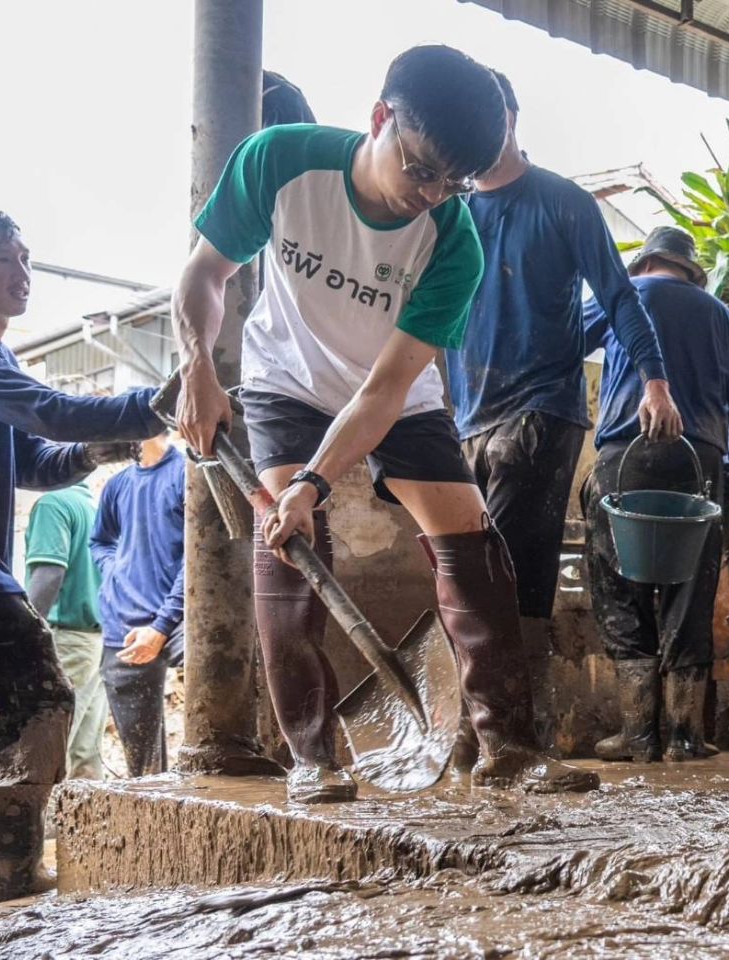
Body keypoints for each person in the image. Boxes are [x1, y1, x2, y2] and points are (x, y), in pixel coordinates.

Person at [173, 45, 598, 803]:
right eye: (422, 170)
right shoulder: (279, 161)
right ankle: (314, 756)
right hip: (287, 381)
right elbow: (206, 273)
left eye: (454, 184)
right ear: (379, 119)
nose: (433, 195)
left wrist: (316, 477)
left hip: (392, 392)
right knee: (290, 538)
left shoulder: (453, 240)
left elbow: (390, 384)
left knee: (469, 533)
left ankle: (509, 746)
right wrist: (199, 367)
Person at [445, 71, 682, 752]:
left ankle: (516, 737)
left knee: (518, 572)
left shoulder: (563, 203)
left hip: (541, 413)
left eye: (488, 120)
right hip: (467, 419)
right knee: (468, 570)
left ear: (511, 118)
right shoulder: (451, 211)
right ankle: (482, 731)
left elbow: (620, 297)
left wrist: (654, 381)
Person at [0, 207, 159, 904]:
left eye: (27, 259)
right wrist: (152, 404)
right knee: (29, 698)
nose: (22, 274)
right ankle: (10, 885)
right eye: (3, 259)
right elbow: (48, 411)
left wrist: (99, 447)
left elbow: (35, 458)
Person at [583, 226, 729, 763]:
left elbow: (561, 343)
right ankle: (685, 735)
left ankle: (637, 735)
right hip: (699, 462)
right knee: (691, 591)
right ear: (691, 271)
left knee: (619, 586)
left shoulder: (625, 295)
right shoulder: (723, 317)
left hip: (623, 458)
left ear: (644, 265)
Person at [90, 432, 187, 777]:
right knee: (141, 764)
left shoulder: (186, 475)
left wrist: (162, 626)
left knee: (216, 717)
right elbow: (99, 540)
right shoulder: (118, 485)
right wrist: (114, 570)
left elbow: (198, 559)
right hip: (123, 623)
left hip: (181, 619)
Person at [25, 481, 109, 780]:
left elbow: (49, 573)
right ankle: (85, 826)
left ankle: (36, 828)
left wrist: (26, 637)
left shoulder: (54, 504)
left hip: (64, 641)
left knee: (48, 747)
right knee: (84, 752)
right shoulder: (94, 508)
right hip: (96, 641)